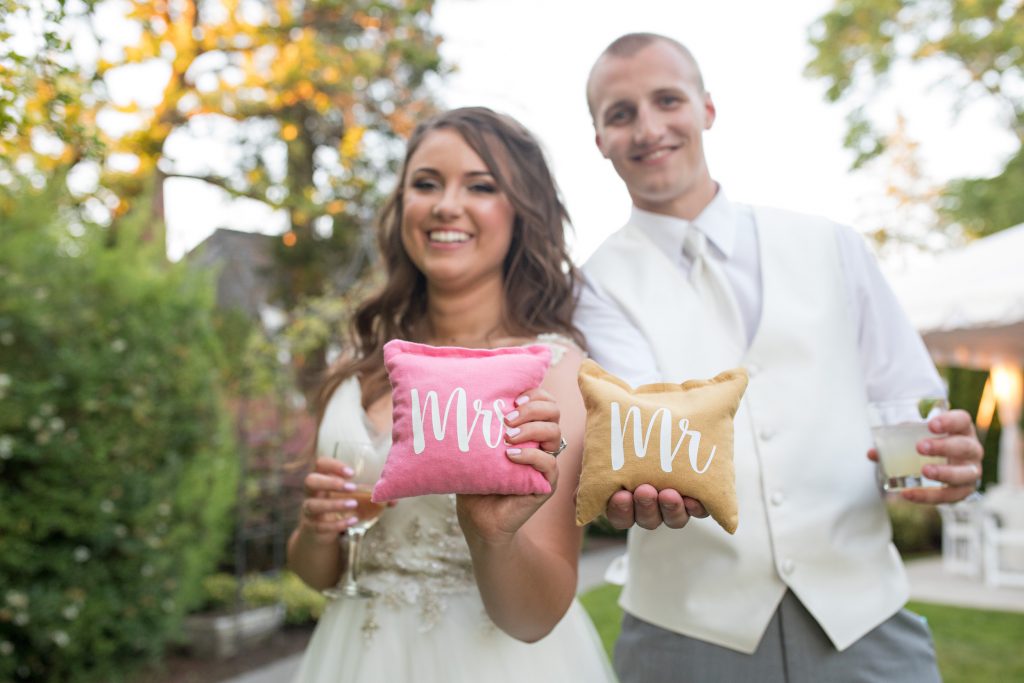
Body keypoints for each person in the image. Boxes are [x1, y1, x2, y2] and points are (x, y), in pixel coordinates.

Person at [568, 33, 986, 682]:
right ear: (599, 139)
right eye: (620, 114)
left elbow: (903, 409)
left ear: (707, 108)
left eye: (667, 100)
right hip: (686, 632)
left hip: (864, 617)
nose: (648, 128)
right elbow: (640, 432)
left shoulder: (832, 245)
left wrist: (942, 467)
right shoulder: (591, 287)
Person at [286, 107, 616, 683]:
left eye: (481, 185)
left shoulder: (558, 374)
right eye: (426, 183)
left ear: (520, 212)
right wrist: (315, 533)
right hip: (351, 657)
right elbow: (321, 575)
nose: (445, 205)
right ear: (403, 207)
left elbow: (536, 617)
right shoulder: (357, 361)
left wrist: (492, 536)